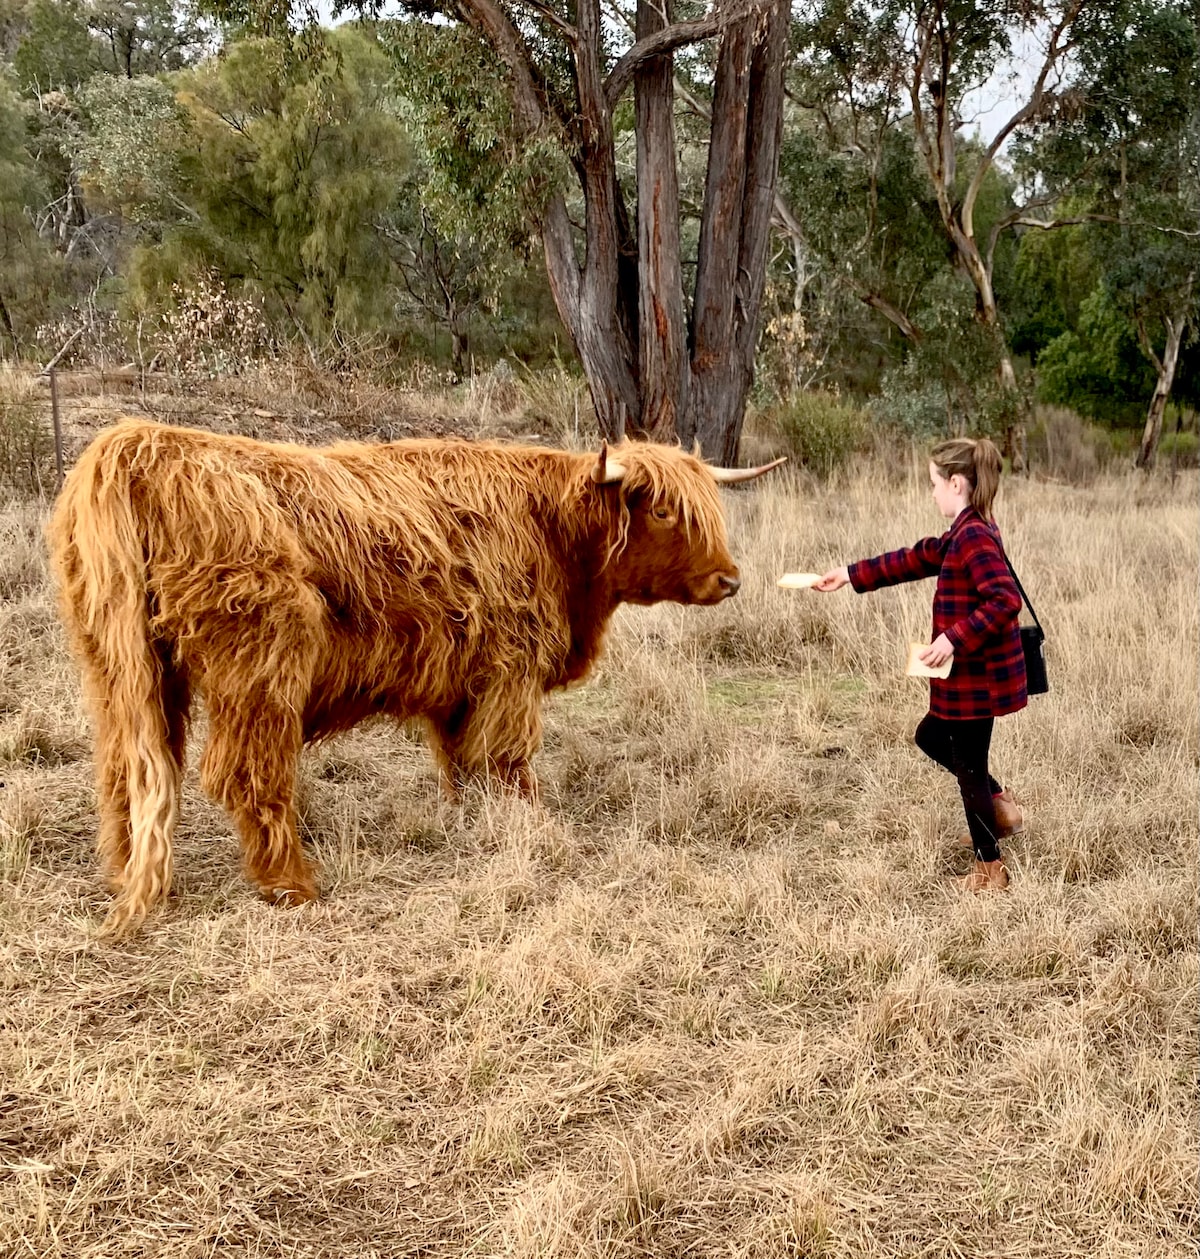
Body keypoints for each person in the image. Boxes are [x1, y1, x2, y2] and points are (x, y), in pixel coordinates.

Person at [813, 438, 1027, 892]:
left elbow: (1005, 599)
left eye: (934, 484)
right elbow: (915, 557)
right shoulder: (965, 530)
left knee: (968, 767)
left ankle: (991, 871)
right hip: (965, 678)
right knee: (930, 736)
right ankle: (999, 803)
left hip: (974, 678)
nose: (930, 493)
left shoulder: (972, 535)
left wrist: (952, 638)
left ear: (955, 483)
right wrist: (849, 575)